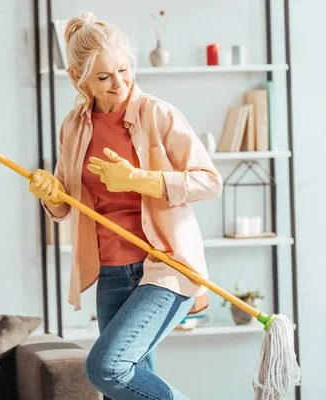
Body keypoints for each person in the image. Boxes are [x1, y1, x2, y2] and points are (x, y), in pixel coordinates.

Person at [29, 12, 222, 400]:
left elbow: (209, 181)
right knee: (129, 386)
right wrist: (51, 194)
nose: (120, 83)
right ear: (78, 78)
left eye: (123, 69)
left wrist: (139, 180)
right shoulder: (73, 126)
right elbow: (66, 202)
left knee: (107, 369)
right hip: (111, 273)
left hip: (165, 267)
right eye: (104, 77)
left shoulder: (159, 114)